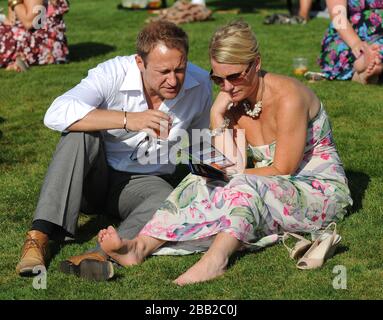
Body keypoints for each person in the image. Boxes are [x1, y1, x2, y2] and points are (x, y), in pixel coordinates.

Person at [97, 19, 353, 286]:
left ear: (255, 63)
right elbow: (229, 164)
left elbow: (283, 169)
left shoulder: (289, 97)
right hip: (270, 185)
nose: (227, 86)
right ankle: (140, 246)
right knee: (199, 180)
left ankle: (215, 260)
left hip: (317, 189)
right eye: (218, 78)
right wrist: (217, 115)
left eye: (234, 76)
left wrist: (231, 177)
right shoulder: (233, 102)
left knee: (242, 185)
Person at [15, 20, 212, 281]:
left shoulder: (199, 85)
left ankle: (98, 256)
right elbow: (55, 112)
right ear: (139, 63)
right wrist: (127, 118)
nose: (173, 80)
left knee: (167, 197)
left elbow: (201, 144)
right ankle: (38, 237)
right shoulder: (112, 73)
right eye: (163, 71)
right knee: (78, 134)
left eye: (180, 69)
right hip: (93, 177)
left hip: (145, 183)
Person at [318, 0, 383, 84]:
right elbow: (338, 16)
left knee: (376, 49)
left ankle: (364, 71)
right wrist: (356, 43)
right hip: (348, 34)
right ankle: (365, 65)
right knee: (345, 49)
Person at [0, 0, 69, 71]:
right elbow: (11, 21)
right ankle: (16, 61)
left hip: (42, 42)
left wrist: (15, 1)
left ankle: (18, 58)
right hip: (31, 37)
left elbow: (29, 23)